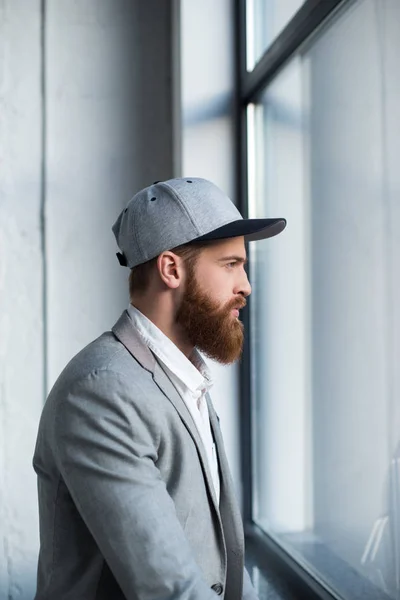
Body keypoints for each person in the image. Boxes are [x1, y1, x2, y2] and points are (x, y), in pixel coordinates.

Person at [33, 177, 286, 599]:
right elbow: (168, 589)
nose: (245, 286)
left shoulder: (184, 377)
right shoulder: (102, 393)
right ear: (171, 269)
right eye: (229, 265)